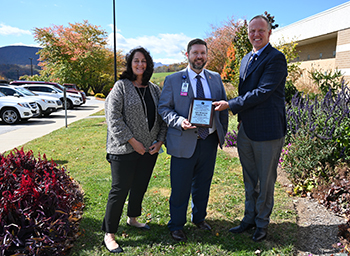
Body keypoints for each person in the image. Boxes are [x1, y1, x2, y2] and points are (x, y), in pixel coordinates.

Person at [213, 15, 287, 242]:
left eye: (260, 31)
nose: (255, 35)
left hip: (267, 131)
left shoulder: (276, 58)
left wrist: (231, 104)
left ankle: (262, 224)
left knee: (265, 181)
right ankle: (249, 218)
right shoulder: (246, 59)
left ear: (269, 32)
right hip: (246, 129)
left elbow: (263, 92)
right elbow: (247, 90)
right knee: (250, 178)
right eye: (252, 31)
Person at [158, 38, 229, 242]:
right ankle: (177, 225)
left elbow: (222, 107)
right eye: (195, 53)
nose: (199, 57)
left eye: (203, 53)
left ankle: (199, 218)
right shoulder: (173, 79)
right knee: (180, 186)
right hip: (184, 140)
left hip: (208, 141)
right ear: (187, 55)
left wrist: (220, 131)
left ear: (207, 56)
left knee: (203, 183)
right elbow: (164, 108)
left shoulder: (215, 78)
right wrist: (179, 121)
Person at [102, 47, 167, 253]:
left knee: (139, 186)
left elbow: (163, 118)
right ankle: (109, 233)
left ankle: (132, 219)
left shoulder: (154, 89)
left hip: (149, 149)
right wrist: (132, 141)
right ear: (130, 64)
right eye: (136, 61)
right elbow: (113, 118)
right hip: (123, 149)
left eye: (144, 61)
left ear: (148, 64)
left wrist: (160, 141)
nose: (140, 64)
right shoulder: (121, 87)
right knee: (119, 189)